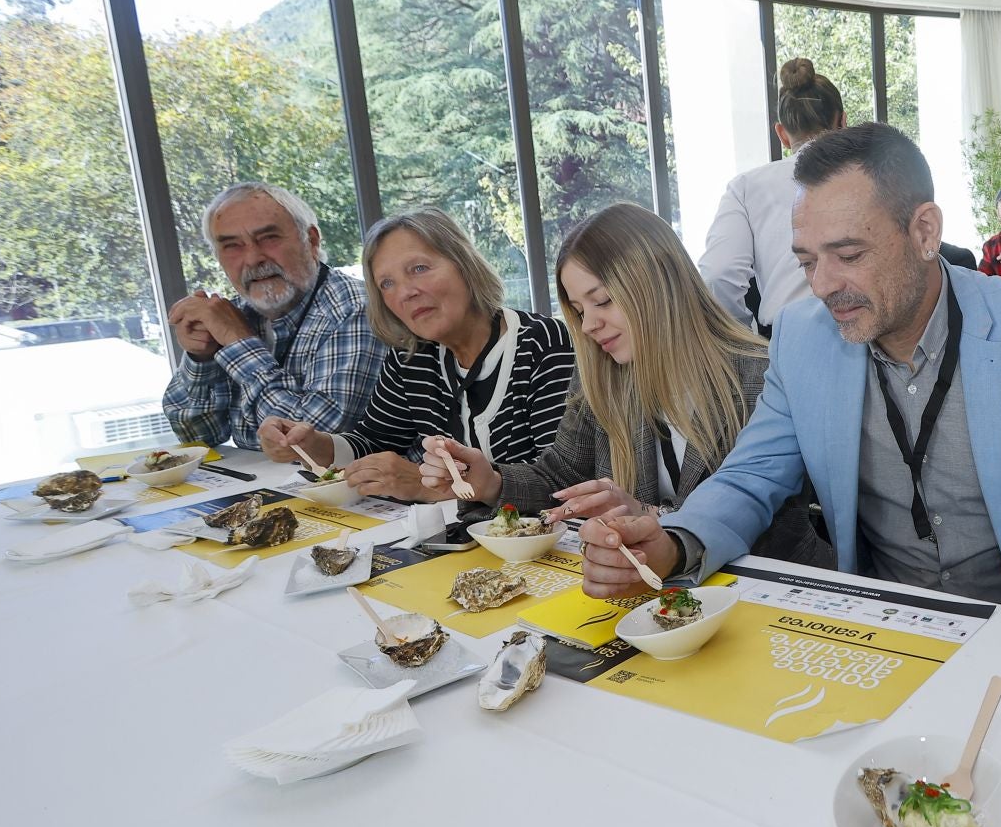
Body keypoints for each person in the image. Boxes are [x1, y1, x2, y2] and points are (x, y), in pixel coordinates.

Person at [576, 123, 1001, 630]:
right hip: (876, 631)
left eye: (850, 255)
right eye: (808, 261)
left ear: (924, 231)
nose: (823, 286)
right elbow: (751, 476)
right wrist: (676, 542)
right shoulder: (801, 338)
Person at [419, 204, 826, 566]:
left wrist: (653, 518)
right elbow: (561, 478)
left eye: (604, 301)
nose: (589, 325)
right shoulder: (602, 375)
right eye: (579, 310)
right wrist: (490, 481)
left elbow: (772, 522)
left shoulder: (762, 375)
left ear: (657, 283)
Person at [257, 208, 576, 501]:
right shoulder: (412, 357)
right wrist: (314, 446)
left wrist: (431, 487)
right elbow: (374, 443)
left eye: (419, 268)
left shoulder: (544, 342)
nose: (406, 292)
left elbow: (562, 480)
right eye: (387, 284)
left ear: (465, 265)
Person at [162, 182, 384, 450]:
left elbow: (310, 443)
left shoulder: (355, 309)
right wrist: (202, 356)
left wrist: (238, 343)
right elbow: (196, 436)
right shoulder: (234, 313)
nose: (254, 258)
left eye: (269, 238)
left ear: (311, 241)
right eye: (232, 246)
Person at [700, 57, 845, 332]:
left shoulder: (745, 187)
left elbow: (717, 276)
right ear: (843, 122)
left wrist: (745, 337)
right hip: (867, 334)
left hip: (786, 336)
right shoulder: (870, 178)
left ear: (782, 133)